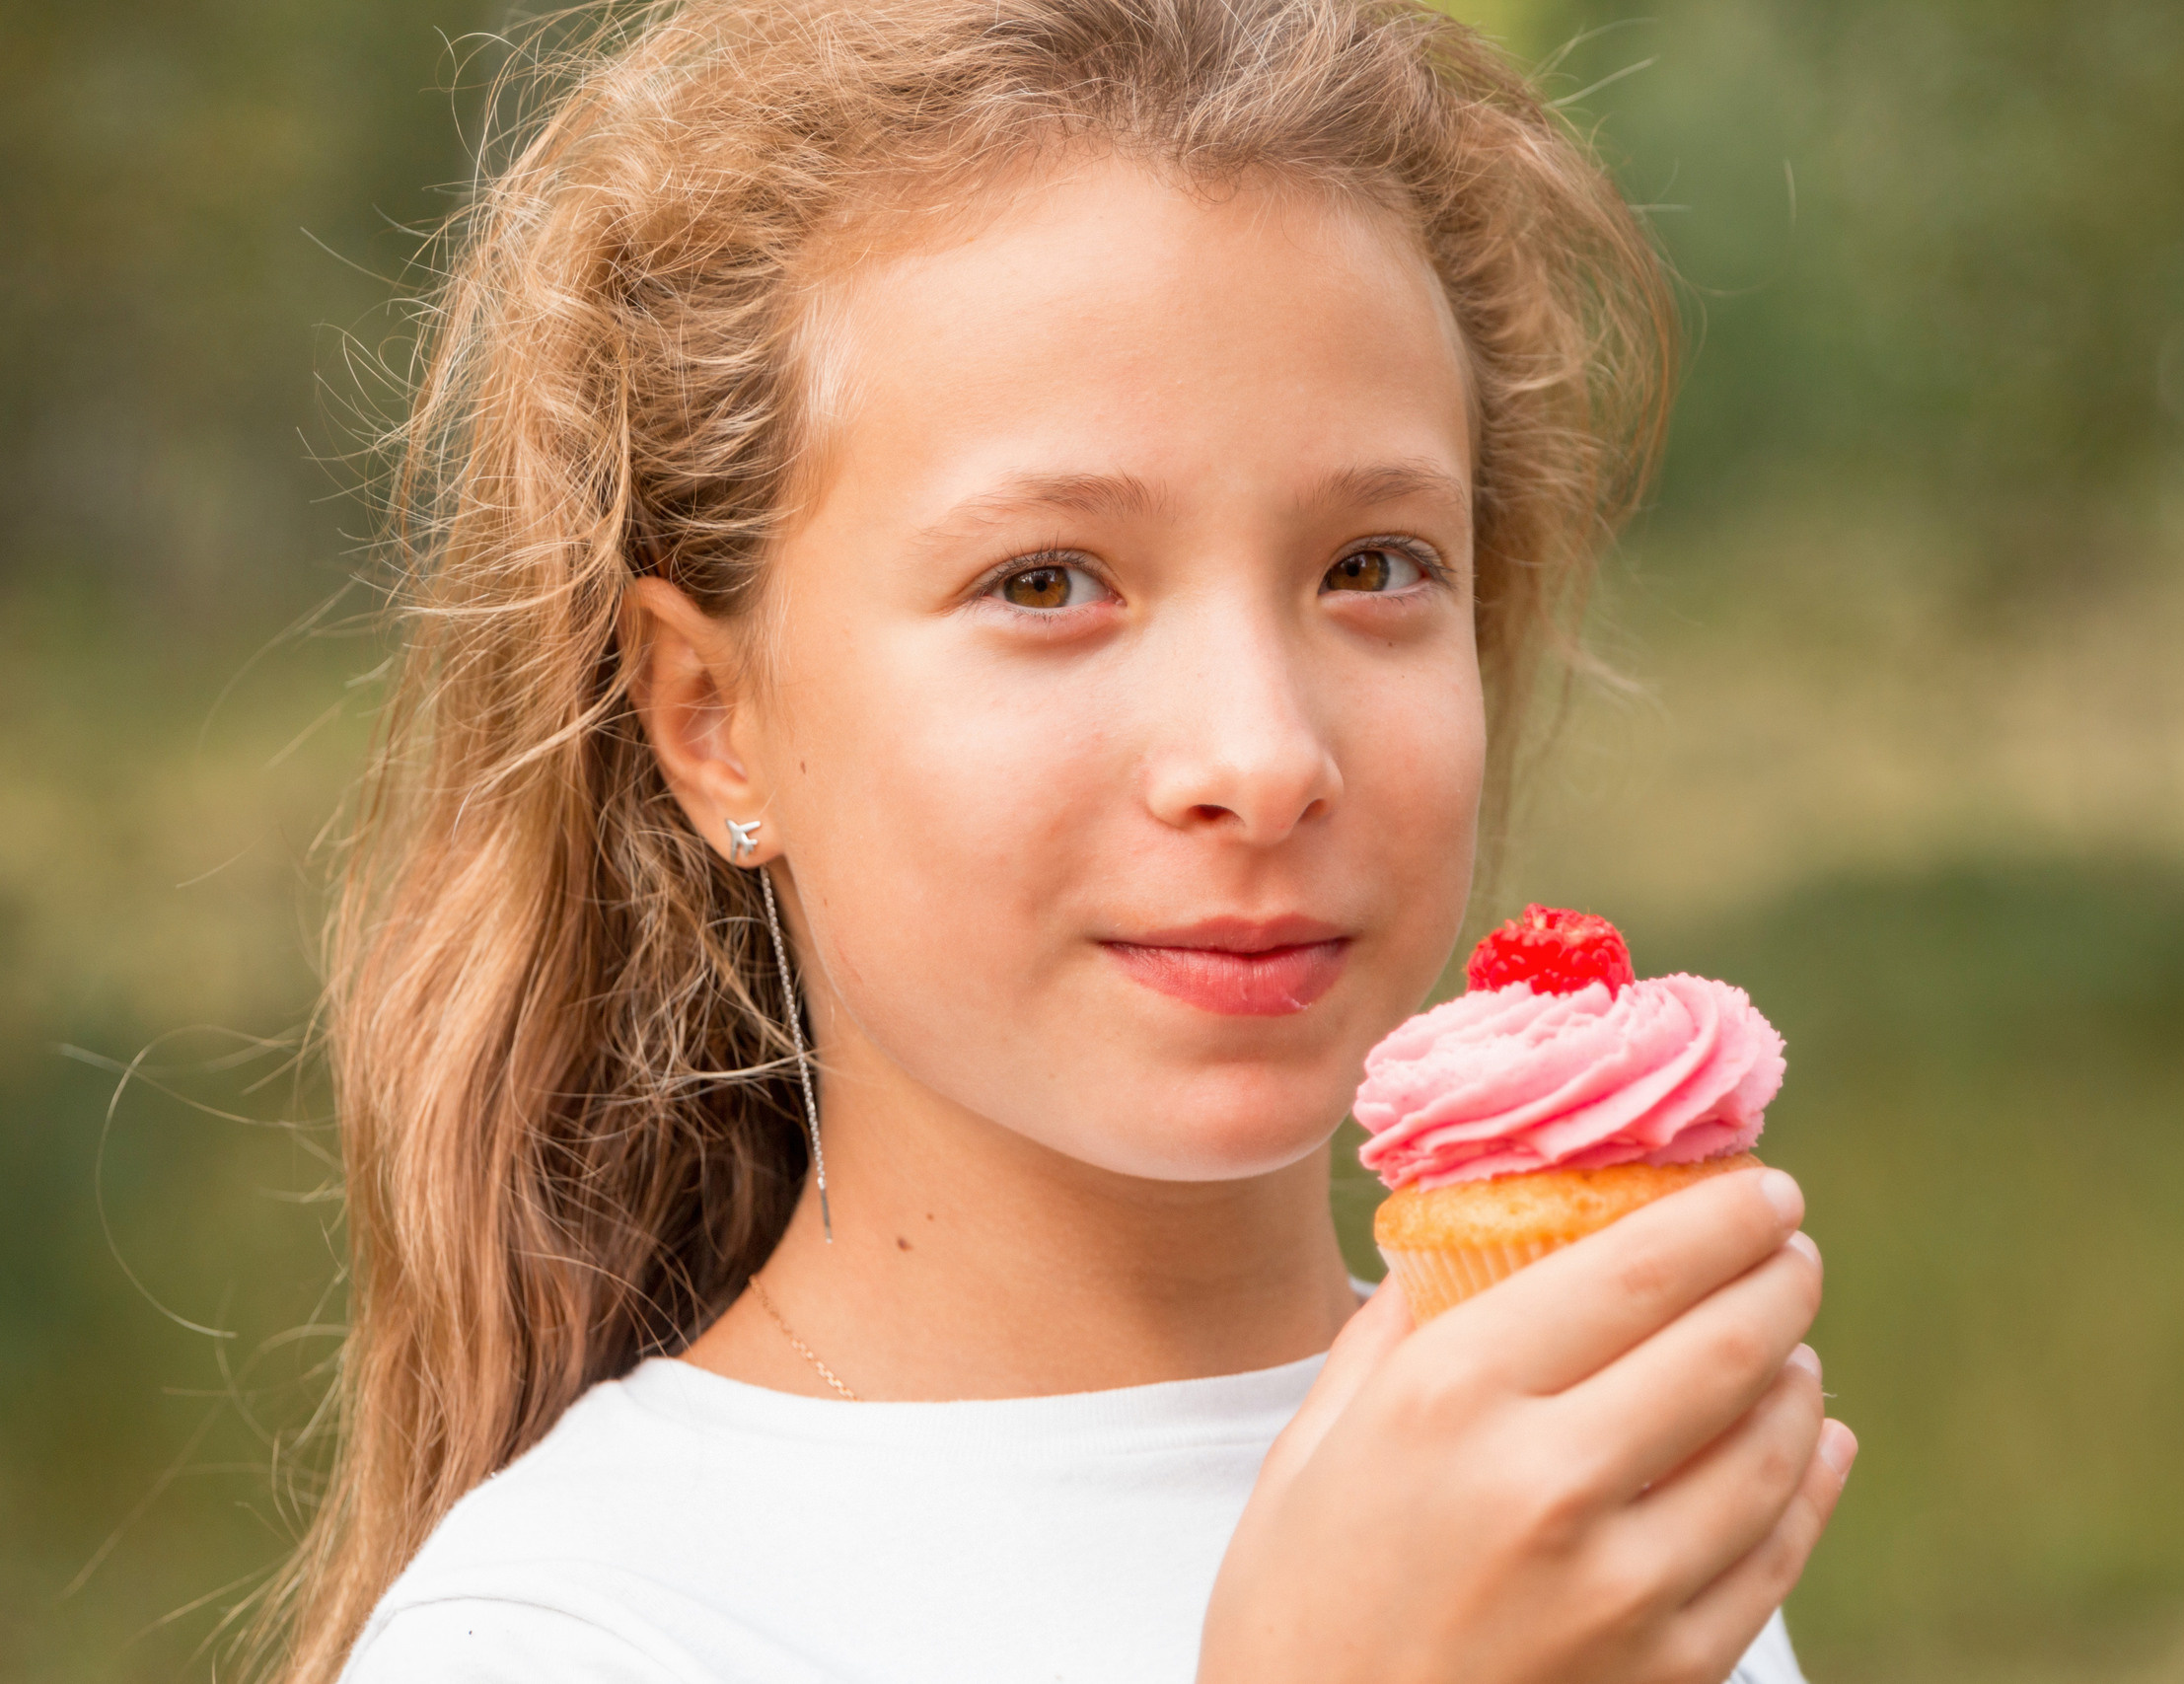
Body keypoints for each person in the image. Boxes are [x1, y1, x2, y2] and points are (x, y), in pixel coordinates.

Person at [255, 0, 1854, 1677]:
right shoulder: (570, 1629)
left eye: (1371, 566)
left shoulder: (1573, 1473)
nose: (1261, 757)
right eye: (1045, 583)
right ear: (712, 719)